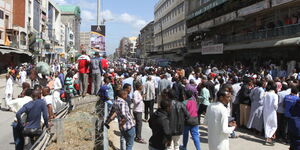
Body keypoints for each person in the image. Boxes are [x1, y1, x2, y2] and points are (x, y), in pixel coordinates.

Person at [263, 81, 278, 145]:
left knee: (266, 124)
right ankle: (269, 138)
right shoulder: (275, 95)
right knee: (274, 125)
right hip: (272, 112)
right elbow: (275, 105)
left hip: (265, 111)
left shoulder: (265, 93)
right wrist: (275, 109)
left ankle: (267, 137)